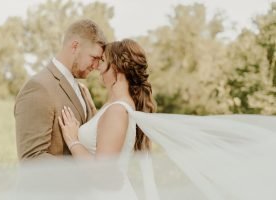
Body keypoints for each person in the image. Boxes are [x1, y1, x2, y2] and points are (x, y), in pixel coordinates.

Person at [58, 39, 276, 200]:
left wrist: (73, 141)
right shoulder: (117, 107)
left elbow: (104, 174)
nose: (96, 67)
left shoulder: (117, 111)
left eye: (102, 61)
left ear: (116, 67)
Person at [14, 19, 106, 160]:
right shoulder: (38, 88)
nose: (96, 65)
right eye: (94, 57)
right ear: (75, 47)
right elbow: (32, 159)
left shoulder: (82, 90)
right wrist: (86, 171)